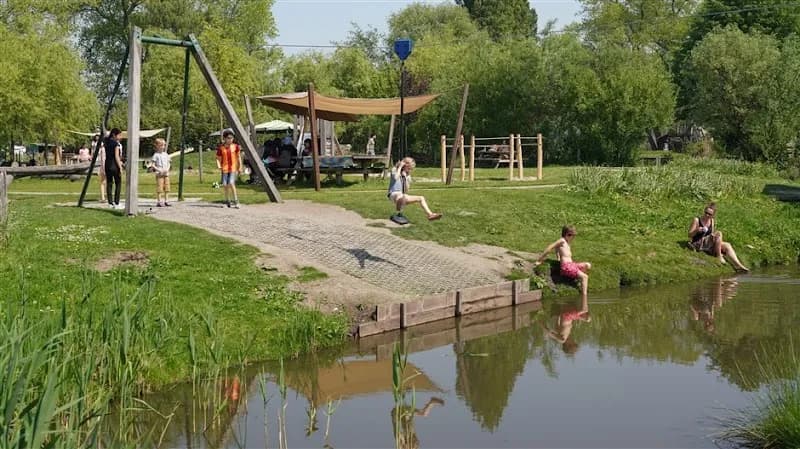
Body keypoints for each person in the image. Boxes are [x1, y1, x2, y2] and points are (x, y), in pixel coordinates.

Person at [688, 202, 749, 272]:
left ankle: (738, 265)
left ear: (713, 215)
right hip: (697, 243)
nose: (707, 215)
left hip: (707, 242)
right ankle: (719, 256)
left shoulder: (712, 221)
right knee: (719, 233)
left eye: (709, 214)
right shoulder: (696, 220)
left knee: (727, 245)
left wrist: (715, 239)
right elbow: (689, 235)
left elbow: (711, 233)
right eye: (706, 213)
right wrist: (697, 230)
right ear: (704, 211)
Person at [533, 225, 592, 296]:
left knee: (588, 265)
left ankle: (576, 278)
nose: (573, 237)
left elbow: (557, 249)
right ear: (567, 234)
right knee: (585, 277)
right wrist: (539, 260)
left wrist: (558, 257)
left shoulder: (567, 242)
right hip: (566, 267)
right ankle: (584, 297)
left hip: (572, 265)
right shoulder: (562, 240)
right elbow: (550, 247)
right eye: (572, 235)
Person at [387, 157, 442, 221]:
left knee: (421, 198)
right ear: (404, 165)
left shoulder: (407, 175)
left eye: (411, 169)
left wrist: (405, 178)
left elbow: (406, 190)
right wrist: (400, 168)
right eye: (409, 168)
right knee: (402, 196)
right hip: (393, 194)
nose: (410, 170)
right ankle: (398, 210)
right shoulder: (395, 169)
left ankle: (430, 214)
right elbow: (396, 178)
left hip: (402, 195)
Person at [216, 129, 242, 208]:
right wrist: (219, 166)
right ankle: (228, 201)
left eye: (231, 138)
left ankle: (236, 201)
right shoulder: (221, 148)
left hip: (233, 168)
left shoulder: (235, 147)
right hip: (225, 168)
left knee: (231, 183)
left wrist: (240, 166)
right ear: (225, 138)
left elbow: (238, 157)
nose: (230, 139)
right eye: (228, 138)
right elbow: (218, 158)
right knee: (225, 185)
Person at [103, 128, 124, 209]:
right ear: (114, 135)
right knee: (118, 183)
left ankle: (110, 203)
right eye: (119, 135)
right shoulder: (116, 144)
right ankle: (117, 202)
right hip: (114, 165)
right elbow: (117, 157)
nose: (120, 137)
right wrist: (120, 167)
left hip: (107, 164)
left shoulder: (106, 142)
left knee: (109, 183)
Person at [151, 138, 171, 207]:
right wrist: (159, 170)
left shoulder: (166, 154)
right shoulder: (156, 155)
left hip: (166, 174)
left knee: (167, 187)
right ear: (157, 146)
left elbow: (169, 163)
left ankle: (166, 200)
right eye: (161, 145)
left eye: (164, 145)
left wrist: (167, 169)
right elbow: (152, 165)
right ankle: (159, 201)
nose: (163, 147)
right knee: (160, 187)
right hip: (159, 174)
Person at [91, 134, 107, 203]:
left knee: (105, 182)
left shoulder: (104, 148)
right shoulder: (96, 145)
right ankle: (103, 197)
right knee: (102, 182)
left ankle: (105, 197)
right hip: (102, 165)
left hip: (105, 165)